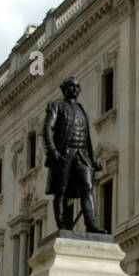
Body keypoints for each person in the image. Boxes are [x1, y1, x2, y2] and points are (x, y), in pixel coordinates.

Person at [43, 76, 105, 233]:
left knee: (87, 187)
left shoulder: (81, 109)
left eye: (77, 87)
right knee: (61, 191)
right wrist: (53, 150)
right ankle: (62, 225)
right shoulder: (56, 105)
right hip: (64, 154)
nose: (75, 89)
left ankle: (91, 223)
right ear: (64, 89)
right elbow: (48, 128)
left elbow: (87, 137)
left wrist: (92, 159)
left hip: (82, 155)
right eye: (71, 86)